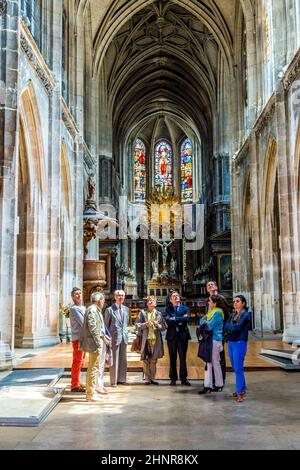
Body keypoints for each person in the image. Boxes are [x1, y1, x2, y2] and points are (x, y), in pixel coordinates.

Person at [79, 292, 111, 402]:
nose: (104, 302)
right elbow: (93, 328)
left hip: (96, 342)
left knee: (94, 368)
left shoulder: (94, 309)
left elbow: (98, 328)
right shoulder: (92, 310)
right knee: (93, 368)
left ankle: (90, 392)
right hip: (95, 344)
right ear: (99, 300)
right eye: (103, 300)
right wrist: (98, 342)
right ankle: (90, 394)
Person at [225, 295, 251, 403]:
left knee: (239, 369)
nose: (235, 303)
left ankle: (239, 393)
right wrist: (231, 328)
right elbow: (225, 325)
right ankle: (242, 389)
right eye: (234, 301)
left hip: (239, 343)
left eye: (238, 301)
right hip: (231, 342)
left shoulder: (245, 315)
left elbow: (238, 327)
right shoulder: (233, 314)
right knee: (236, 368)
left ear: (243, 303)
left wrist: (230, 327)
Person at [136, 296, 166, 385]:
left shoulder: (159, 314)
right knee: (145, 360)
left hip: (155, 340)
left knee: (153, 360)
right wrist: (145, 324)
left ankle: (153, 378)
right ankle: (147, 379)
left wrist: (158, 325)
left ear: (156, 304)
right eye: (149, 301)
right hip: (145, 339)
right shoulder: (142, 313)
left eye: (153, 301)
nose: (151, 302)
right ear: (147, 303)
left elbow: (164, 327)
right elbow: (137, 325)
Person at [198, 295, 224, 394]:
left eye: (209, 301)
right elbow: (201, 321)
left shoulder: (217, 313)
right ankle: (208, 385)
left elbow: (209, 327)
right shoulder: (210, 312)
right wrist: (206, 321)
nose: (208, 303)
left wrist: (206, 322)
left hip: (214, 340)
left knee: (214, 363)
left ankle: (217, 384)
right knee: (208, 362)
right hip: (209, 340)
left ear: (214, 303)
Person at [206, 281, 230, 383]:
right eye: (208, 285)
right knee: (210, 358)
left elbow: (227, 317)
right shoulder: (208, 300)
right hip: (209, 333)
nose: (210, 286)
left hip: (218, 333)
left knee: (219, 358)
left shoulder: (221, 299)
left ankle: (221, 380)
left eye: (212, 284)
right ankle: (212, 380)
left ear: (216, 286)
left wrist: (224, 332)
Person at [165, 291, 191, 386]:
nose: (176, 297)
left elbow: (187, 319)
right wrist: (180, 319)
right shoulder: (168, 309)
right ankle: (173, 378)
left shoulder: (185, 308)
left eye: (177, 295)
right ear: (171, 299)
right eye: (173, 296)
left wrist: (174, 319)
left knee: (183, 358)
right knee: (172, 358)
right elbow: (167, 321)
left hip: (183, 336)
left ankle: (184, 379)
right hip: (171, 336)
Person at [105, 290, 129, 387]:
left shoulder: (126, 309)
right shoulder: (109, 310)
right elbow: (106, 326)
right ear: (115, 297)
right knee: (114, 360)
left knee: (123, 359)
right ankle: (114, 381)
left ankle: (122, 379)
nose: (120, 297)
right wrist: (107, 339)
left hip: (124, 337)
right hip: (114, 337)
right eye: (118, 295)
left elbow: (126, 324)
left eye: (122, 296)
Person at [70, 287, 86, 393]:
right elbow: (83, 322)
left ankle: (78, 381)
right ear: (72, 297)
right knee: (77, 361)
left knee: (82, 362)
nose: (79, 295)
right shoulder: (74, 309)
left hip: (83, 338)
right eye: (76, 294)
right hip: (78, 338)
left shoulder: (83, 308)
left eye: (80, 293)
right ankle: (74, 385)